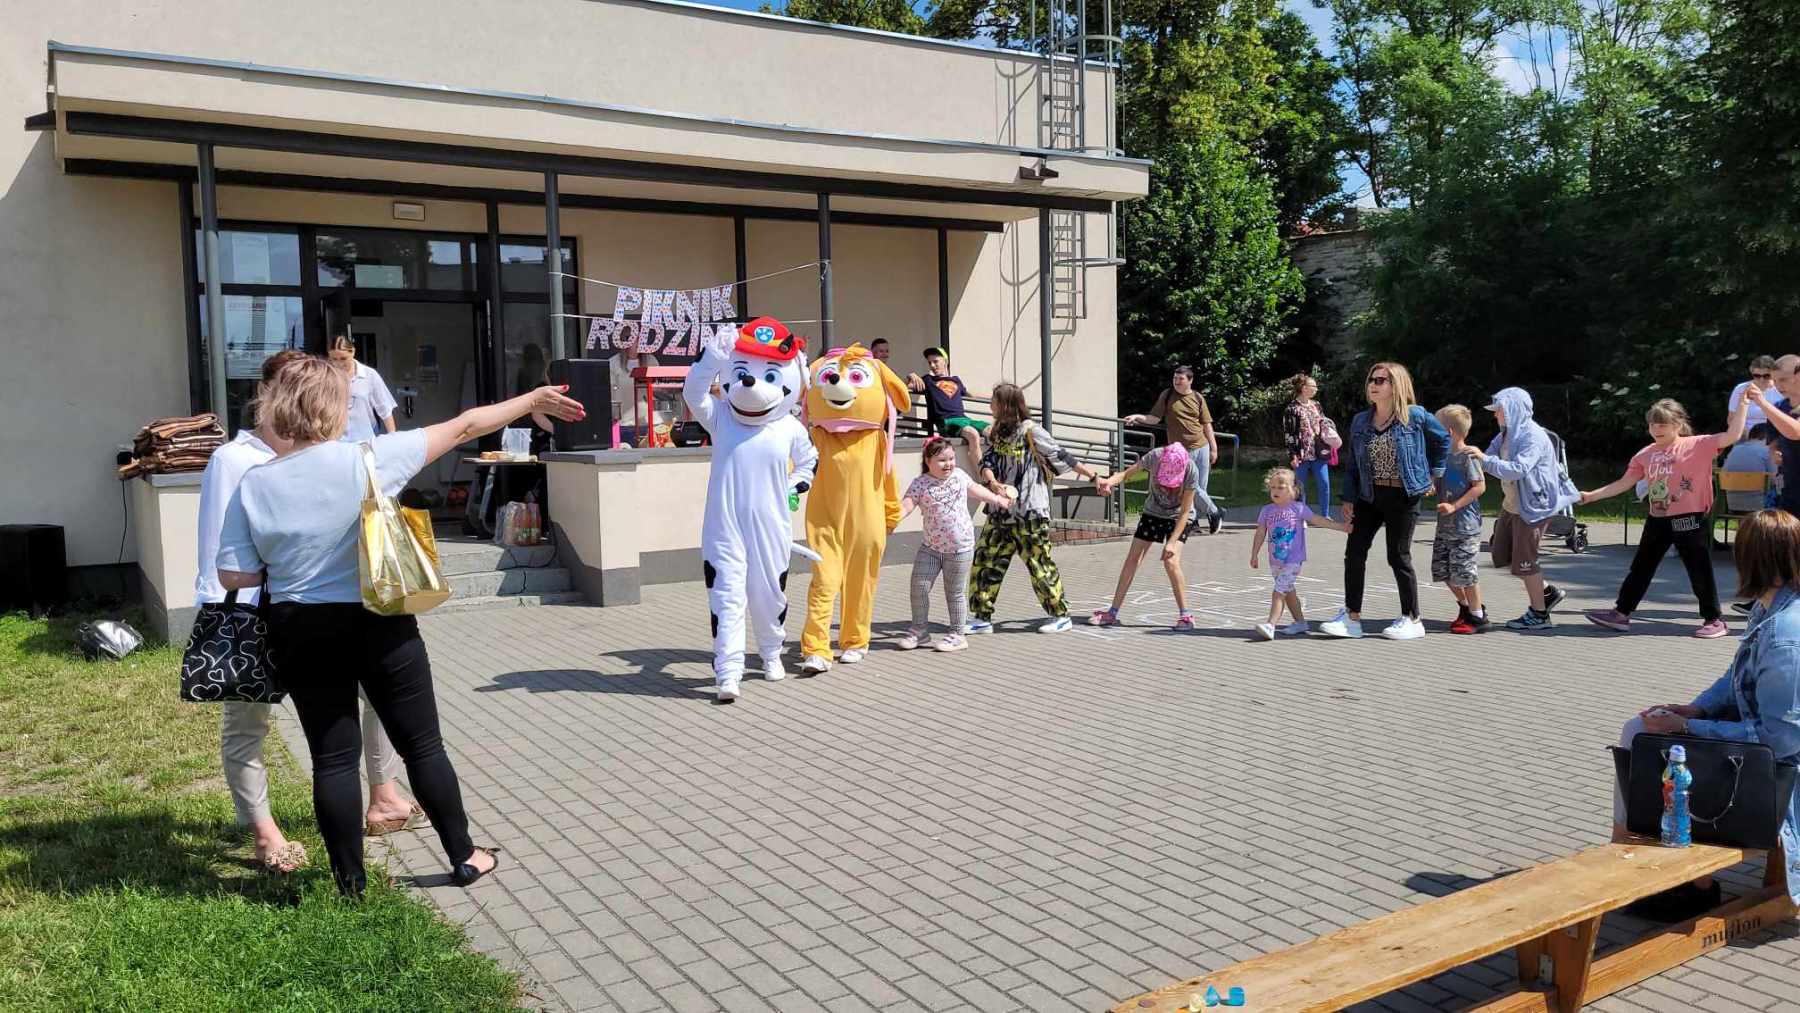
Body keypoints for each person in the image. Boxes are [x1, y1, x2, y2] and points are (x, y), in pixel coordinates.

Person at [216, 356, 583, 895]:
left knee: (332, 759)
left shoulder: (254, 483)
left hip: (299, 629)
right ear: (337, 406)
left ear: (276, 406)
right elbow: (466, 425)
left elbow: (234, 575)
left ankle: (350, 882)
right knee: (422, 745)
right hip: (379, 620)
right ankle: (464, 857)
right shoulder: (371, 458)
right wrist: (530, 400)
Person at [1607, 508, 1800, 921]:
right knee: (1640, 731)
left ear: (1752, 559)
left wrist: (1689, 727)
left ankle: (1675, 877)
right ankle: (1652, 864)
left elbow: (1780, 740)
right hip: (1761, 748)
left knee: (1649, 748)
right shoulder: (1769, 608)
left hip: (1779, 769)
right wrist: (1696, 708)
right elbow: (1736, 676)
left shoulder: (1786, 635)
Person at [1580, 394, 1748, 638]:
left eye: (1662, 424)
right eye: (1652, 424)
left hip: (1689, 517)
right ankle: (1621, 613)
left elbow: (1732, 435)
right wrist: (1591, 496)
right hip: (1657, 518)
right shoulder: (1645, 454)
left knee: (1698, 568)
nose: (1656, 429)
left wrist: (1743, 405)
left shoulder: (1698, 444)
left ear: (1677, 424)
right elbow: (1624, 483)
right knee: (1641, 566)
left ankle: (1714, 620)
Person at [1319, 362, 1451, 641]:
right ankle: (1352, 617)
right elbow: (1353, 464)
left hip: (1403, 495)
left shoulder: (1415, 416)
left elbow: (1443, 441)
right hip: (1369, 494)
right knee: (1355, 552)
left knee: (1398, 555)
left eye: (1381, 380)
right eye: (1371, 379)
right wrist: (1348, 497)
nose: (1373, 385)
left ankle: (1412, 618)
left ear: (1396, 385)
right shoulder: (1361, 421)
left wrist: (1433, 475)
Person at [967, 383, 1101, 634]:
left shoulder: (1032, 431)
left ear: (1006, 404)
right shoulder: (998, 432)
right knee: (985, 561)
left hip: (1030, 513)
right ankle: (982, 617)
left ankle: (1060, 615)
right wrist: (993, 483)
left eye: (994, 400)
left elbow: (1063, 456)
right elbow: (988, 461)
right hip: (1000, 511)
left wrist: (1094, 477)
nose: (990, 405)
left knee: (1038, 563)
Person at [1465, 388, 1579, 632]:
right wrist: (1467, 461)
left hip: (1534, 507)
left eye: (1499, 410)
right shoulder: (1505, 434)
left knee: (1526, 561)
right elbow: (1489, 458)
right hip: (1512, 504)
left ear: (1513, 410)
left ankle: (1539, 615)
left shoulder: (1533, 436)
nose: (1495, 415)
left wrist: (1484, 459)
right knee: (1502, 554)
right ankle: (1547, 593)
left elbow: (1518, 469)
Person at [895, 436, 1015, 652]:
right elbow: (907, 505)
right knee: (919, 587)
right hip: (931, 548)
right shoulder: (920, 483)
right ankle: (919, 631)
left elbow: (976, 489)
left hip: (960, 549)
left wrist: (998, 500)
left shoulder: (959, 476)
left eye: (951, 458)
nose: (948, 464)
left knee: (955, 593)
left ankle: (958, 635)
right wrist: (891, 520)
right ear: (928, 461)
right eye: (942, 460)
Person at [1090, 443, 1203, 630]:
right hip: (1153, 512)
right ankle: (1112, 613)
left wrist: (1171, 543)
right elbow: (1126, 474)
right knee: (1133, 559)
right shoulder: (1155, 456)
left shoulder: (1191, 470)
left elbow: (1184, 512)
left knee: (1171, 561)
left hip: (1179, 517)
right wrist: (1109, 482)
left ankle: (1186, 616)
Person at [1247, 467, 1349, 640]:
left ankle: (1270, 625)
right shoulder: (1267, 510)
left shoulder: (1298, 508)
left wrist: (1341, 527)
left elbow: (1318, 520)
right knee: (1289, 592)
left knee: (1279, 591)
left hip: (1293, 560)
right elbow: (1260, 533)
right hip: (1275, 561)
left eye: (1281, 487)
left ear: (1293, 490)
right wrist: (1254, 554)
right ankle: (1300, 622)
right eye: (1273, 487)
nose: (1275, 491)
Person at [1124, 366, 1223, 533]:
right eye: (1175, 378)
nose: (1176, 382)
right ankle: (1214, 512)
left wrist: (1214, 448)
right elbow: (1154, 418)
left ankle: (1192, 522)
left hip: (1202, 446)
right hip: (1181, 451)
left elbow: (1207, 424)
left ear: (1190, 380)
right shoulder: (1167, 395)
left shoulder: (1197, 397)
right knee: (1191, 486)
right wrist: (1137, 417)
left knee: (1200, 488)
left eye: (1180, 379)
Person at [1430, 406, 1490, 634]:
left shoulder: (1468, 457)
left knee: (1465, 572)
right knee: (1443, 571)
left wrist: (1454, 506)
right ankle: (1466, 607)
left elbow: (1479, 487)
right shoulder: (1441, 457)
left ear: (1449, 432)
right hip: (1444, 526)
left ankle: (1478, 617)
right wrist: (1430, 488)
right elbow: (1437, 482)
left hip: (1465, 527)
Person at [906, 347, 985, 469]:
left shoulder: (956, 380)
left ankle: (1000, 471)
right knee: (973, 434)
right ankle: (983, 474)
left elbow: (971, 393)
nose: (932, 365)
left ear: (945, 362)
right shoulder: (928, 380)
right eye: (930, 363)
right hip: (947, 422)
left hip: (965, 419)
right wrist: (910, 376)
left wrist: (999, 395)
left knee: (993, 431)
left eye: (935, 361)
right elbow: (903, 387)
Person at [1282, 373, 1337, 520]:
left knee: (1324, 483)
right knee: (1300, 486)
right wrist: (1292, 455)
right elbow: (1288, 434)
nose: (1316, 389)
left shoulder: (1316, 405)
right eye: (1313, 386)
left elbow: (1324, 422)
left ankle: (1325, 515)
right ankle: (1300, 515)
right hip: (1301, 454)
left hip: (1319, 451)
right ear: (1304, 388)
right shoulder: (1292, 409)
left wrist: (1329, 432)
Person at [327, 335, 398, 443]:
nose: (339, 363)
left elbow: (385, 409)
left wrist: (393, 438)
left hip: (366, 439)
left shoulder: (370, 375)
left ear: (353, 352)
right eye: (334, 359)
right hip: (337, 441)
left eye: (343, 358)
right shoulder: (327, 377)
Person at [1723, 423, 1781, 513]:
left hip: (1732, 505)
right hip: (1761, 505)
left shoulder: (1735, 450)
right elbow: (1775, 478)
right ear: (1768, 437)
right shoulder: (1767, 451)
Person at [1727, 354, 1777, 431]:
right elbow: (1731, 419)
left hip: (1775, 433)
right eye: (1757, 376)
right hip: (1745, 434)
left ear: (1774, 374)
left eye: (1766, 376)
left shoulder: (1781, 389)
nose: (1761, 380)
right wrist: (1745, 433)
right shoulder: (1741, 389)